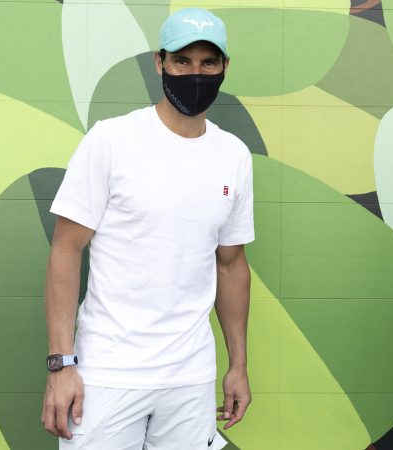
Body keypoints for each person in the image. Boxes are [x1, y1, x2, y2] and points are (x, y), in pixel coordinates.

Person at [41, 8, 254, 449]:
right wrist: (61, 366)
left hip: (190, 377)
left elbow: (231, 265)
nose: (196, 73)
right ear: (160, 63)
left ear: (225, 68)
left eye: (208, 63)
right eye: (182, 61)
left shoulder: (233, 155)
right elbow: (66, 249)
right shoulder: (111, 140)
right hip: (108, 372)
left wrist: (238, 364)